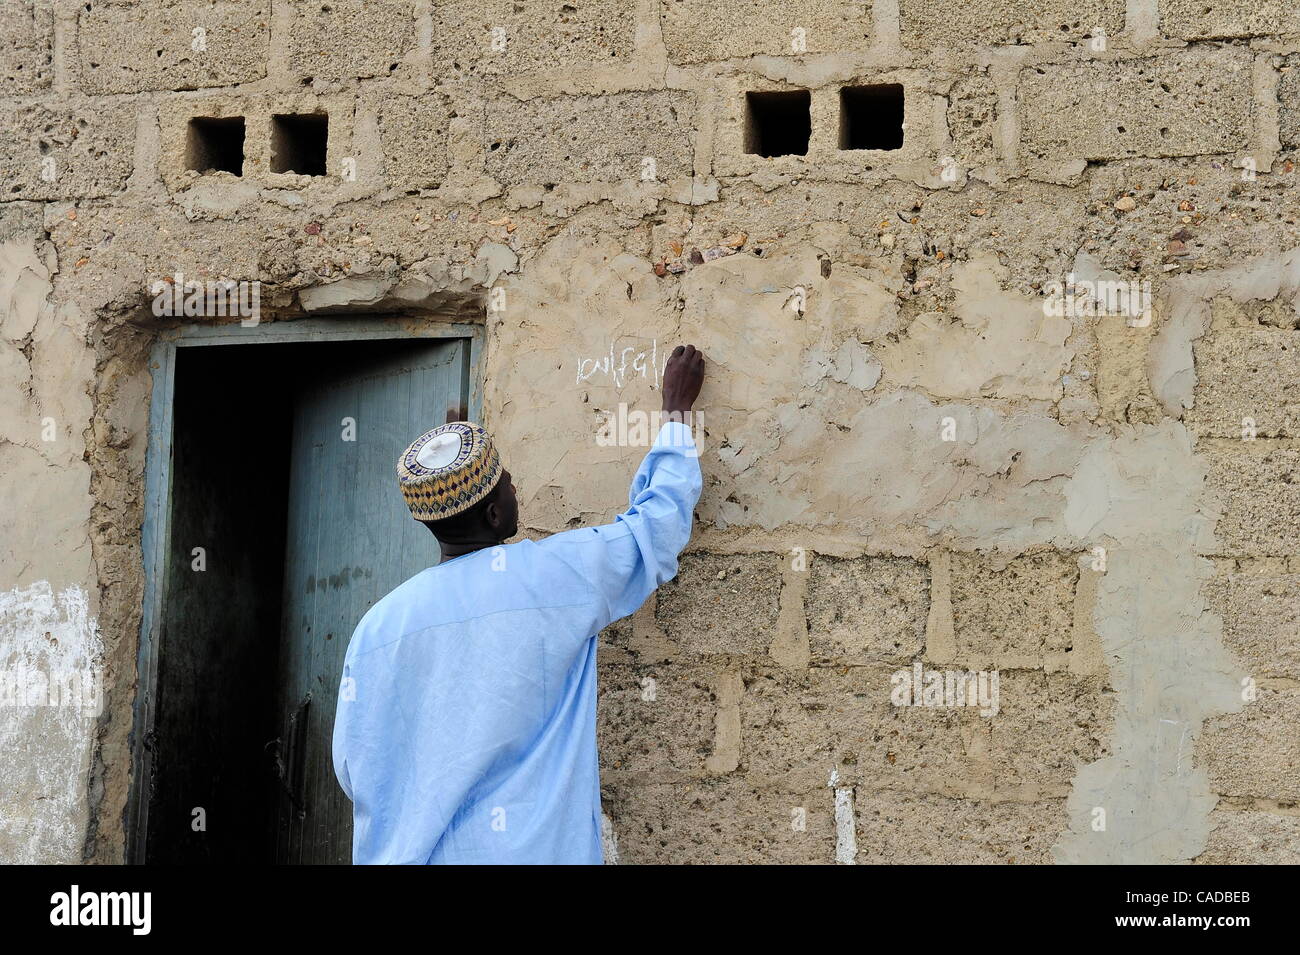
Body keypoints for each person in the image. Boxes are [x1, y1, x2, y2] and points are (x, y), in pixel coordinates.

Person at [332, 344, 706, 864]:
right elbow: (654, 531)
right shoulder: (553, 578)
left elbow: (355, 766)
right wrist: (677, 416)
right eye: (505, 482)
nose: (514, 484)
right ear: (491, 516)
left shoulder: (378, 628)